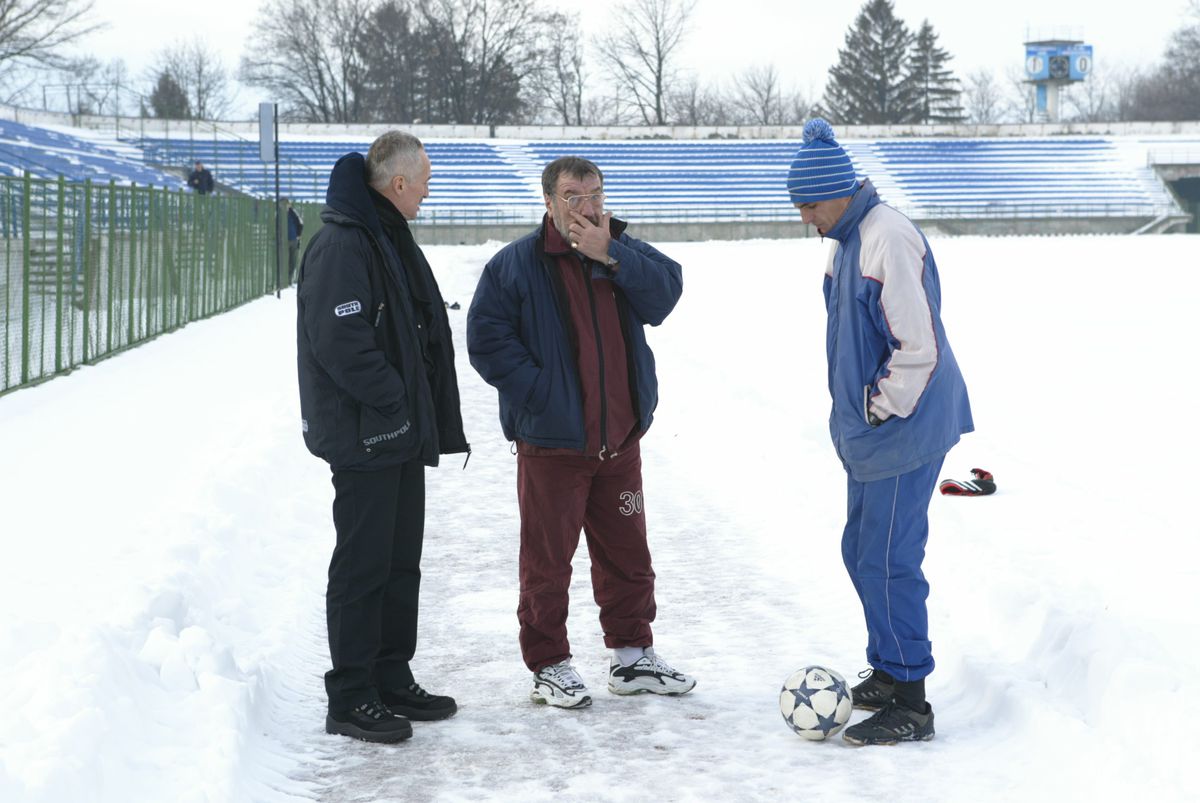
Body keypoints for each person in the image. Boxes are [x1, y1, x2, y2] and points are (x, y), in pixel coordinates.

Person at [467, 156, 695, 710]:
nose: (587, 205)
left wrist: (610, 254)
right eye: (572, 195)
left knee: (627, 552)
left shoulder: (618, 251)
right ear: (548, 202)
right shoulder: (515, 266)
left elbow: (667, 294)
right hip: (553, 447)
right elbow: (486, 342)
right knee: (547, 560)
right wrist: (543, 397)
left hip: (618, 441)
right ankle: (549, 664)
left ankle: (633, 657)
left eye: (594, 192)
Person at [787, 119, 973, 746]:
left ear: (836, 192)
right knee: (861, 551)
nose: (804, 217)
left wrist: (875, 407)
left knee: (889, 559)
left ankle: (912, 702)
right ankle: (892, 670)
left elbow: (916, 348)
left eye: (808, 204)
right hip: (871, 430)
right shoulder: (845, 239)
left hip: (905, 423)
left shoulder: (886, 238)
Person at [296, 131, 469, 743]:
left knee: (400, 564)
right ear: (398, 183)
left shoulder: (386, 235)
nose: (427, 192)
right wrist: (396, 399)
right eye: (422, 182)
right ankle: (349, 696)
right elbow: (341, 341)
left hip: (398, 431)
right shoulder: (343, 244)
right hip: (368, 433)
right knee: (363, 565)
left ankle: (390, 675)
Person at [286, 199, 304, 284]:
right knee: (289, 261)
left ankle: (289, 280)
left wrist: (298, 236)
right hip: (287, 241)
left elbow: (300, 224)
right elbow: (300, 224)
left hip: (292, 240)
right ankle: (287, 280)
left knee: (291, 261)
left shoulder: (293, 213)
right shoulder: (292, 213)